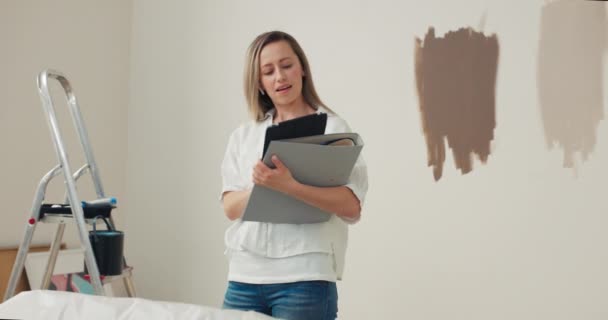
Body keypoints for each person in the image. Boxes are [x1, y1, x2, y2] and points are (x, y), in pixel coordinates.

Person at [220, 30, 368, 320]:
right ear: (259, 83)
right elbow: (229, 207)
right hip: (244, 278)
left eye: (286, 65)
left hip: (305, 278)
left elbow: (351, 205)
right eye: (268, 71)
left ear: (302, 68)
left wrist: (289, 185)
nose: (280, 77)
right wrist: (263, 186)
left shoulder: (334, 130)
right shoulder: (244, 135)